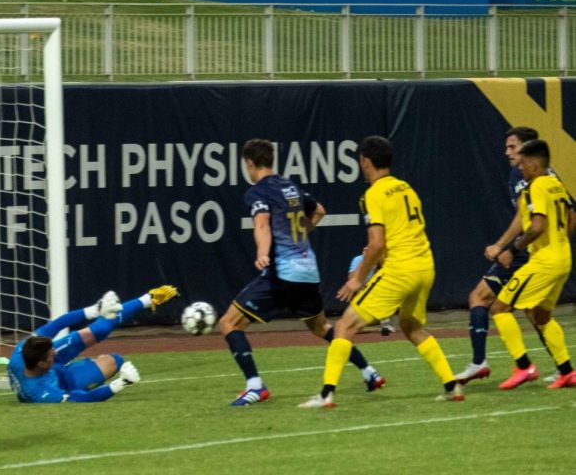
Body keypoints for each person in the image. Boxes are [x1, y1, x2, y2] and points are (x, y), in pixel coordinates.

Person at [299, 136, 463, 408]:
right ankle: (451, 385)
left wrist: (357, 278)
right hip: (425, 267)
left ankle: (326, 395)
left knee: (344, 326)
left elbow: (377, 243)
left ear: (365, 161)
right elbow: (401, 234)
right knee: (412, 326)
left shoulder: (373, 194)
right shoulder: (406, 188)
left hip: (400, 270)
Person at [219, 139, 384, 407]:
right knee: (321, 328)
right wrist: (302, 233)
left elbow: (262, 225)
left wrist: (263, 252)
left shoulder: (257, 192)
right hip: (309, 272)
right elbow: (319, 211)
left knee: (228, 323)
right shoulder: (289, 187)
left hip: (282, 275)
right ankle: (369, 373)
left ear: (249, 163)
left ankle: (255, 386)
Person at [456, 127, 548, 384]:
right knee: (536, 312)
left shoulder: (522, 173)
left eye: (512, 147)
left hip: (527, 252)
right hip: (544, 252)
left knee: (481, 298)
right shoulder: (549, 174)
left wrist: (503, 247)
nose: (507, 152)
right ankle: (564, 369)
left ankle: (483, 363)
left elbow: (523, 217)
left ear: (527, 149)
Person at [487, 139, 576, 390]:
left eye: (524, 164)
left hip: (545, 260)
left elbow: (537, 226)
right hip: (563, 259)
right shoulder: (557, 184)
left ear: (535, 165)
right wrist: (559, 242)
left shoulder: (537, 186)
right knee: (541, 315)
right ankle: (567, 372)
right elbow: (572, 219)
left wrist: (512, 251)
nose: (521, 170)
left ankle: (523, 366)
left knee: (499, 308)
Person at [7, 285, 178, 403]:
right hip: (65, 382)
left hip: (53, 368)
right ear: (42, 363)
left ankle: (148, 299)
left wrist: (95, 310)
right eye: (51, 353)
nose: (54, 350)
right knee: (114, 361)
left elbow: (58, 324)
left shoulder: (24, 350)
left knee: (96, 331)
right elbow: (82, 399)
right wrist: (120, 384)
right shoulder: (41, 394)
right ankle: (80, 368)